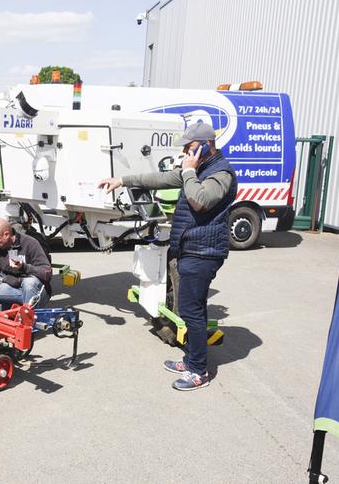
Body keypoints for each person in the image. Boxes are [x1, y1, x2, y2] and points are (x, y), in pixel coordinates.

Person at [98, 121, 237, 391]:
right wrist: (122, 180)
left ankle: (199, 372)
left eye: (190, 147)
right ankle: (193, 358)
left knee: (191, 311)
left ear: (207, 146)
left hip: (204, 252)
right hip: (192, 248)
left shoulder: (221, 174)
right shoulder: (200, 169)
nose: (186, 152)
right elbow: (159, 179)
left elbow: (200, 200)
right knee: (192, 309)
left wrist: (188, 171)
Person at [0, 219, 52, 309]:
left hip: (37, 292)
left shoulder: (31, 244)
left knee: (29, 283)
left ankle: (27, 317)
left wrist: (23, 267)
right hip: (14, 289)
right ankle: (10, 313)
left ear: (6, 234)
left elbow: (47, 272)